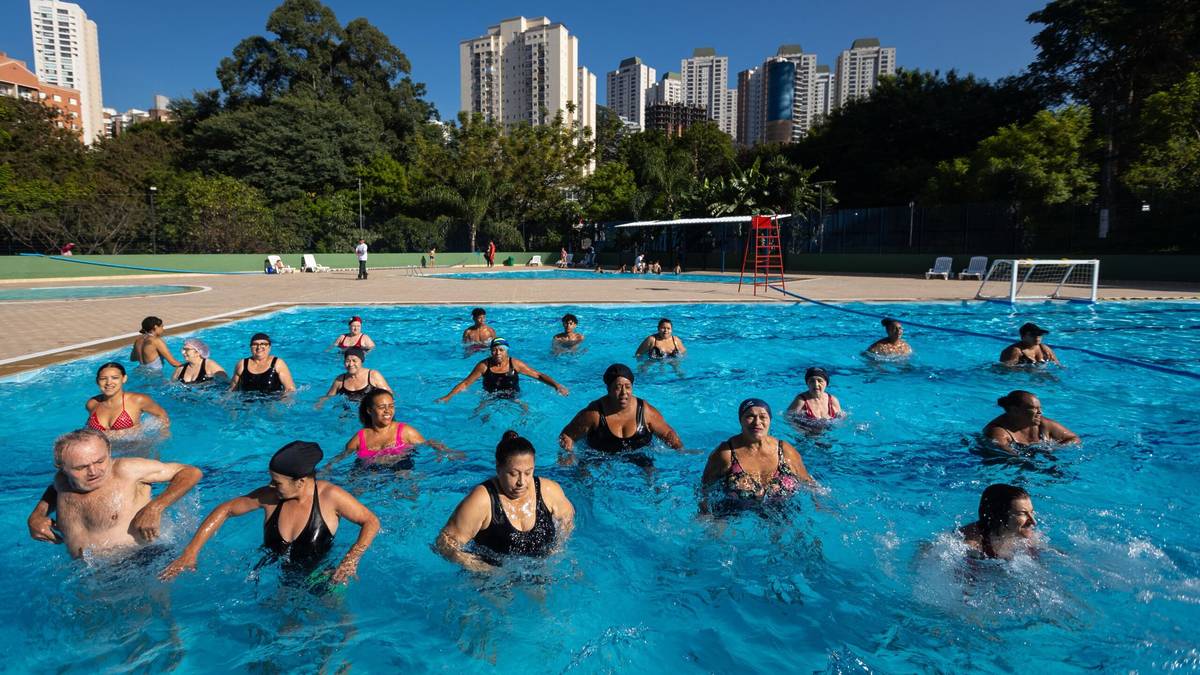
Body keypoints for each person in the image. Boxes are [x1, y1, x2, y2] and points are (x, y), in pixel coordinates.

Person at [159, 441, 380, 585]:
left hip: (322, 576)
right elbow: (225, 509)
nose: (271, 486)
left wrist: (351, 559)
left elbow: (371, 521)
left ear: (301, 481)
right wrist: (191, 551)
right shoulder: (271, 497)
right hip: (274, 576)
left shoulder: (330, 497)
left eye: (277, 482)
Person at [27, 429, 202, 558]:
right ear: (62, 468)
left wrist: (156, 507)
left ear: (109, 452)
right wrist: (37, 515)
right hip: (88, 573)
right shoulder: (61, 480)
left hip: (140, 560)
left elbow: (190, 472)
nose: (94, 471)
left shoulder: (128, 470)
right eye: (81, 467)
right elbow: (54, 488)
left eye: (100, 461)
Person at [436, 431, 574, 571]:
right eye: (513, 474)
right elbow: (444, 543)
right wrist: (480, 567)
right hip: (492, 579)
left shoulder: (549, 491)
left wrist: (557, 550)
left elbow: (567, 519)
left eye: (528, 473)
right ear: (498, 468)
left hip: (539, 571)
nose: (522, 482)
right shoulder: (482, 501)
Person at [701, 398, 814, 511]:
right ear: (741, 420)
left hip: (781, 511)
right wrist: (704, 513)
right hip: (734, 514)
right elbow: (704, 489)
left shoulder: (785, 450)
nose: (757, 422)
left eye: (763, 416)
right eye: (750, 416)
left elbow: (808, 482)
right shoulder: (726, 453)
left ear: (770, 420)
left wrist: (822, 505)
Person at [558, 363, 683, 458]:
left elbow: (667, 433)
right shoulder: (594, 414)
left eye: (628, 387)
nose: (624, 393)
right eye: (618, 387)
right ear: (608, 389)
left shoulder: (645, 411)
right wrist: (569, 456)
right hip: (598, 458)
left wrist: (681, 450)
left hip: (639, 455)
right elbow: (567, 435)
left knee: (652, 480)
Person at [438, 338, 569, 402]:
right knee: (480, 416)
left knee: (526, 415)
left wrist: (557, 385)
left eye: (501, 350)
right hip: (489, 397)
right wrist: (448, 396)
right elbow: (466, 383)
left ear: (506, 351)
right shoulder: (483, 365)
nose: (497, 353)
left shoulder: (515, 363)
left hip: (514, 396)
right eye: (494, 350)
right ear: (490, 351)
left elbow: (538, 375)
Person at [328, 389, 427, 471]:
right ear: (369, 411)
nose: (388, 411)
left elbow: (428, 444)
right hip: (368, 476)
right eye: (381, 407)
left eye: (391, 406)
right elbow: (341, 458)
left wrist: (440, 450)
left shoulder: (405, 432)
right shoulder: (359, 438)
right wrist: (326, 469)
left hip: (401, 471)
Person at [983, 390, 1079, 453]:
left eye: (1040, 408)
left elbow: (1074, 438)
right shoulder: (997, 432)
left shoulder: (1042, 423)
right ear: (1015, 410)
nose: (1040, 412)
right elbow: (1011, 457)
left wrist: (1055, 449)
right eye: (1034, 408)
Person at [959, 484, 1039, 559]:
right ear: (999, 515)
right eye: (1022, 514)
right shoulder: (970, 545)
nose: (1033, 522)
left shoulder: (1030, 538)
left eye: (1031, 512)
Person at [86, 362, 170, 433]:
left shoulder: (138, 400)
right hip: (106, 451)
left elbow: (162, 415)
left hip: (137, 449)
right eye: (103, 379)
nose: (108, 382)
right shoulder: (92, 403)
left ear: (124, 379)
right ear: (97, 381)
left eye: (115, 378)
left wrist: (163, 435)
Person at [318, 347, 391, 405]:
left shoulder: (373, 376)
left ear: (361, 361)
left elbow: (389, 395)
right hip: (347, 413)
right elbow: (328, 397)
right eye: (347, 361)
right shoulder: (340, 380)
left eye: (354, 360)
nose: (350, 364)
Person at [228, 333, 297, 394]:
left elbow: (290, 389)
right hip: (247, 405)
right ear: (250, 347)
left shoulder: (278, 364)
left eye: (263, 344)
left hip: (271, 403)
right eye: (255, 344)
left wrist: (282, 403)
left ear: (269, 347)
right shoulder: (242, 364)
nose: (259, 347)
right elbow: (232, 390)